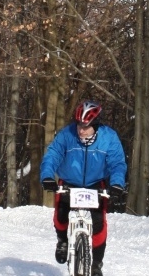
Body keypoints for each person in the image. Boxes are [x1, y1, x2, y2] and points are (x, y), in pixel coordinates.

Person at [40, 100, 127, 276]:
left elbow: (117, 163)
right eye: (79, 125)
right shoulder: (67, 135)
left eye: (86, 126)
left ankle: (96, 263)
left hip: (96, 183)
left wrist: (117, 183)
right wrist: (48, 176)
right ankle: (63, 241)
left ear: (95, 125)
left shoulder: (109, 138)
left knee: (99, 224)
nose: (81, 130)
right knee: (61, 216)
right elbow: (52, 155)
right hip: (69, 181)